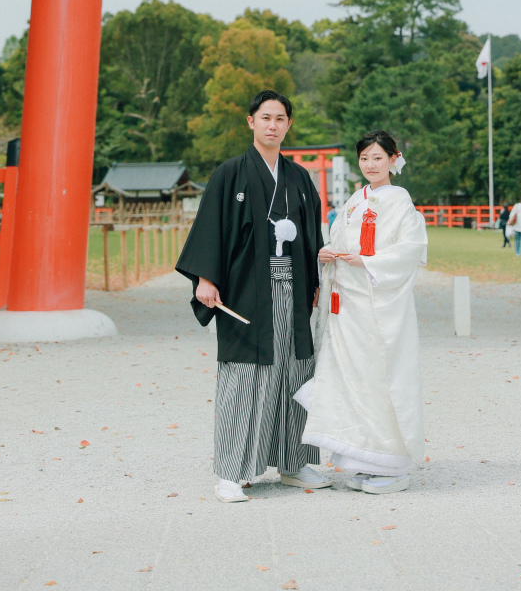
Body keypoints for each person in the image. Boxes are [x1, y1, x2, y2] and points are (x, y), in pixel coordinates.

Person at [176, 90, 327, 504]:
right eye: (265, 118)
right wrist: (205, 278)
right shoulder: (231, 173)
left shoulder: (299, 178)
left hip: (293, 288)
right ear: (251, 122)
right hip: (246, 290)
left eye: (280, 119)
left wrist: (316, 280)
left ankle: (295, 463)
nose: (272, 125)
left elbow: (312, 233)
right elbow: (211, 226)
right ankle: (231, 472)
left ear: (288, 125)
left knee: (295, 371)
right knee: (244, 377)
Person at [300, 130, 428, 495]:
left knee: (379, 377)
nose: (370, 165)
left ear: (393, 159)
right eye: (364, 158)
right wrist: (328, 252)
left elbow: (411, 249)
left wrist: (370, 262)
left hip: (378, 303)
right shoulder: (356, 200)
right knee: (349, 378)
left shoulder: (400, 201)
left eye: (378, 158)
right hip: (347, 305)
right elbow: (341, 239)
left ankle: (391, 465)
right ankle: (362, 460)